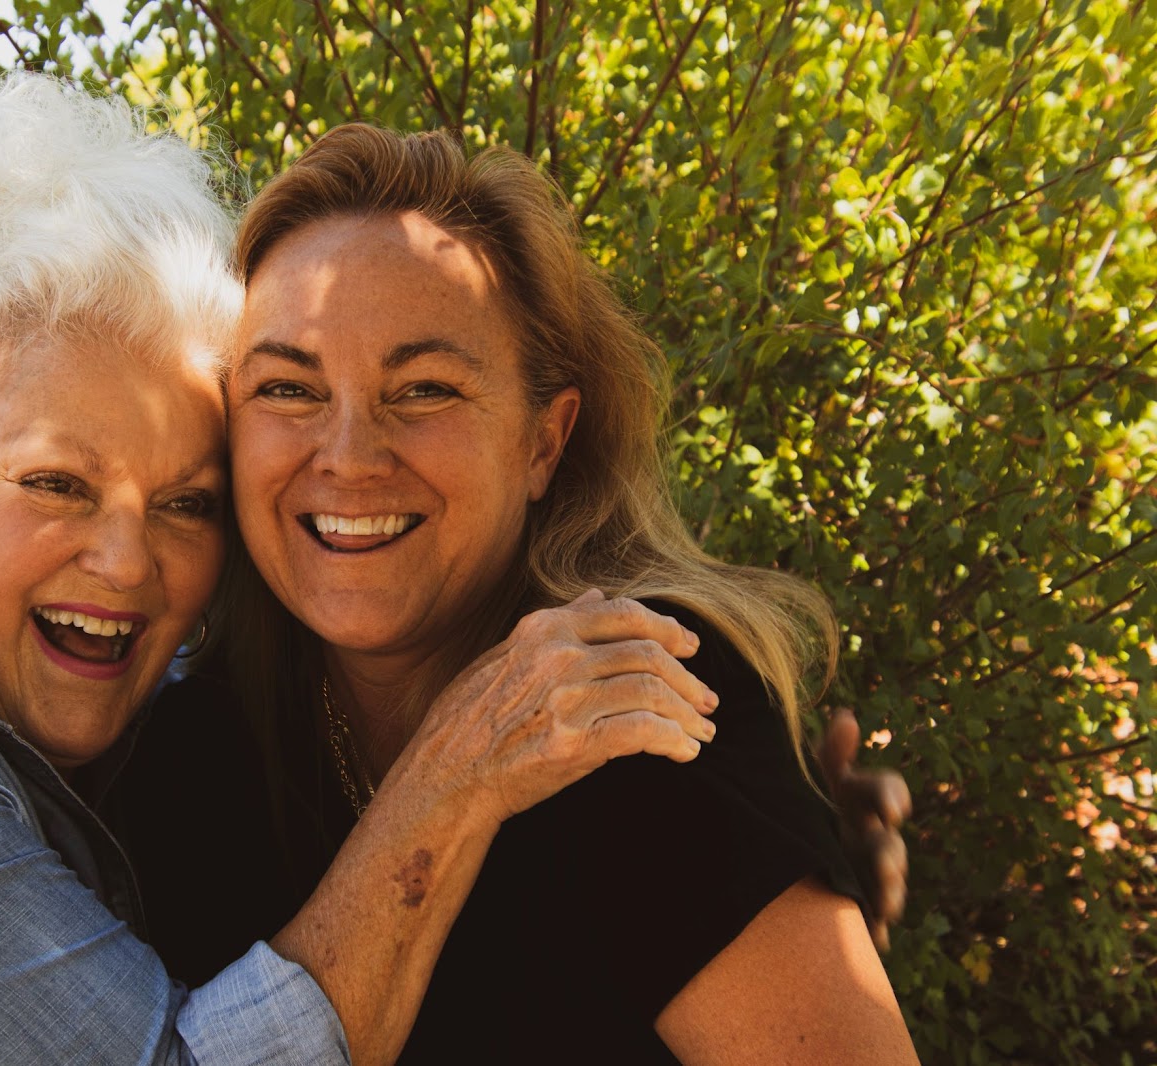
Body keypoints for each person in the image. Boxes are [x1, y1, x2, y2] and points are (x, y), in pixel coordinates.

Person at [0, 79, 723, 1065]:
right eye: (55, 484)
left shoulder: (108, 748)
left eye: (185, 502)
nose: (129, 562)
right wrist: (454, 772)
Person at [110, 124, 921, 1062]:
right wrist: (451, 779)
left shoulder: (634, 709)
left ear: (543, 441)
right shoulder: (186, 751)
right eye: (288, 389)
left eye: (423, 390)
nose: (348, 457)